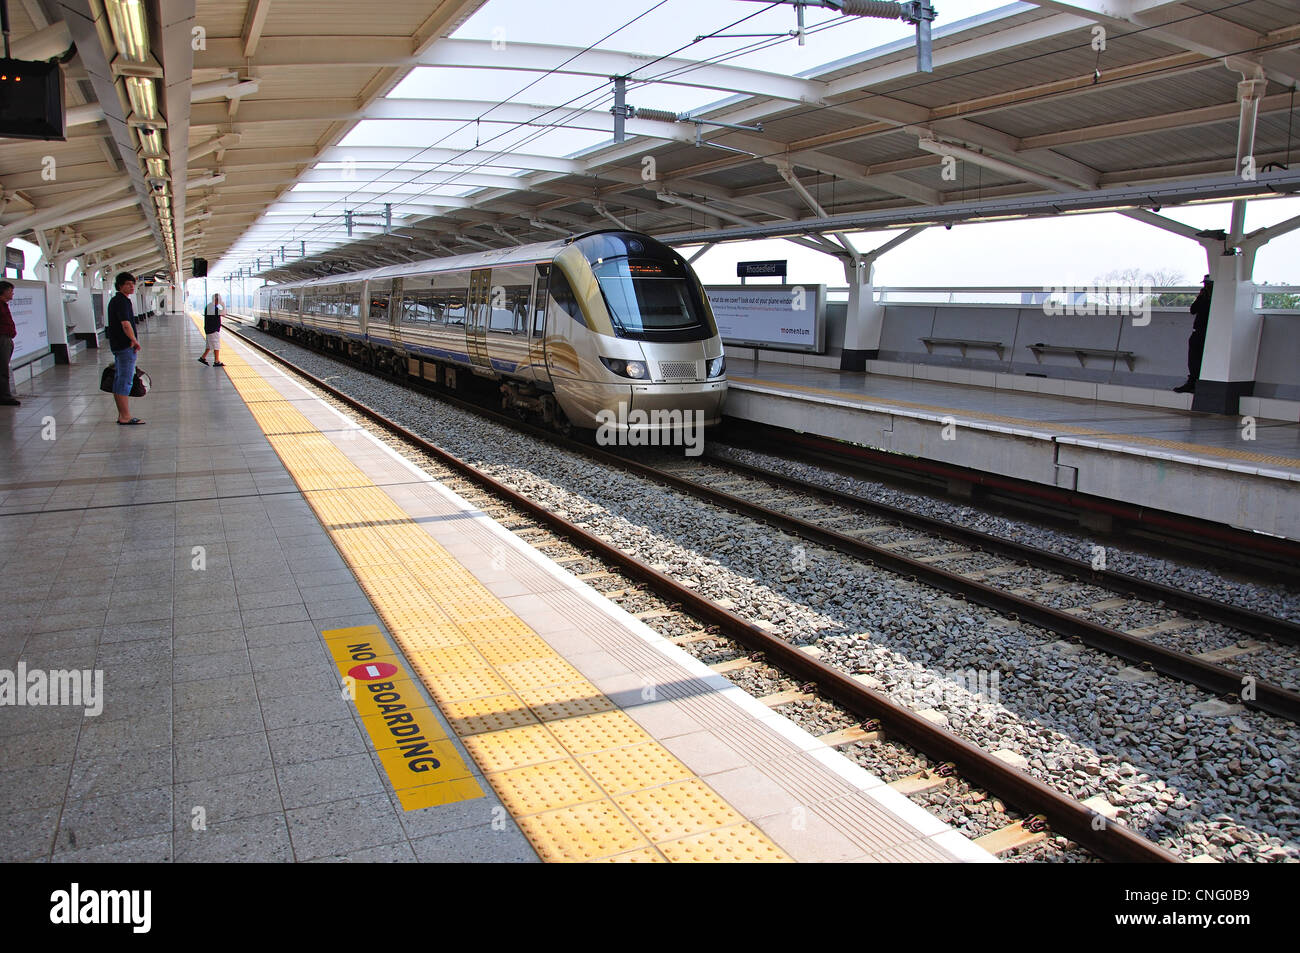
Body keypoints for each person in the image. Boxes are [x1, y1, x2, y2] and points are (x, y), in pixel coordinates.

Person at [107, 271, 144, 425]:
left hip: (118, 346)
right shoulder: (122, 301)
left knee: (120, 380)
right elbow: (125, 324)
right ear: (120, 286)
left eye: (132, 284)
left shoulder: (116, 300)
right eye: (128, 284)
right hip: (124, 347)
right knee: (125, 381)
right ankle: (125, 417)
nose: (131, 287)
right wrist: (134, 341)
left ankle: (123, 414)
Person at [1173, 275, 1212, 393]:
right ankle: (1192, 381)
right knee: (1193, 358)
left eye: (1207, 284)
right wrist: (1201, 297)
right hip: (1198, 332)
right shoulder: (1203, 297)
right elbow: (1193, 310)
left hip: (1207, 332)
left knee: (1199, 359)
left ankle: (1197, 382)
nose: (1205, 286)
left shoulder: (1215, 299)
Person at [0, 281, 18, 406]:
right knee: (2, 368)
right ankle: (4, 397)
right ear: (4, 291)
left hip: (6, 338)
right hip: (2, 339)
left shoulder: (4, 305)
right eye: (10, 291)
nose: (12, 293)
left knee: (3, 367)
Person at [198, 293, 225, 367]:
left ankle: (203, 358)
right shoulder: (212, 307)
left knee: (209, 345)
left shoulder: (210, 306)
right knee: (216, 345)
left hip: (209, 329)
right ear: (216, 300)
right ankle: (216, 361)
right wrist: (223, 305)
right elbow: (224, 313)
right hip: (213, 329)